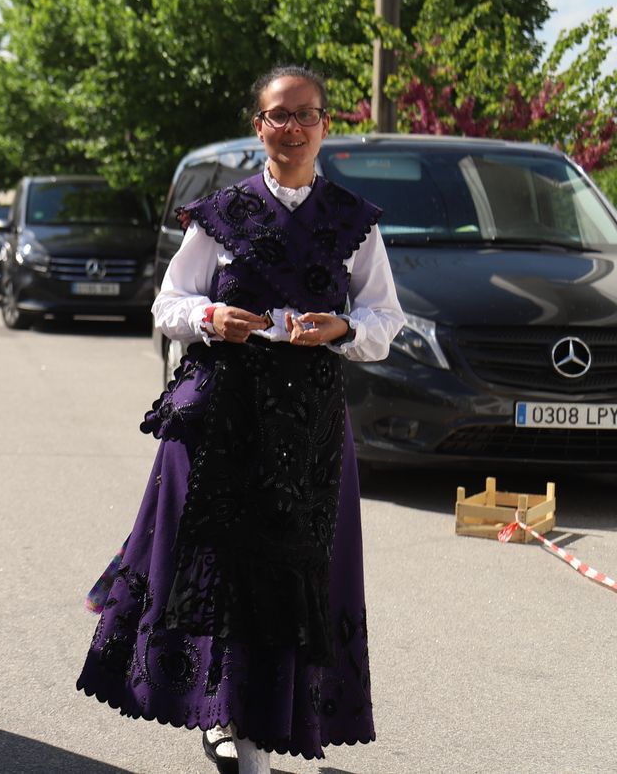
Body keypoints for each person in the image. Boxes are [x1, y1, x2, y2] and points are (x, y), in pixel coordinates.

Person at [76, 66, 405, 774]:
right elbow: (168, 301)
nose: (293, 127)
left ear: (325, 125)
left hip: (308, 428)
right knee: (222, 573)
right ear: (259, 126)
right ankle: (225, 717)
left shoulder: (354, 220)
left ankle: (262, 719)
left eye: (306, 114)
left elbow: (385, 319)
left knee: (291, 576)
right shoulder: (220, 213)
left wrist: (342, 327)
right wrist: (209, 317)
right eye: (278, 115)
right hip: (222, 419)